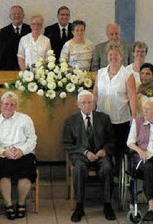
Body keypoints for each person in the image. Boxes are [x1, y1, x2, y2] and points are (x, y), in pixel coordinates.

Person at [63, 90, 116, 222]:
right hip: (81, 155)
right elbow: (67, 144)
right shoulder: (70, 121)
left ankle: (108, 204)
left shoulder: (104, 118)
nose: (86, 105)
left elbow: (112, 140)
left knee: (107, 168)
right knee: (79, 169)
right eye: (83, 103)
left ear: (94, 104)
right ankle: (79, 206)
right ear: (78, 104)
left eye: (89, 102)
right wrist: (85, 152)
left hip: (100, 154)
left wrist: (104, 150)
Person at [0, 92, 38, 220]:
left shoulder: (25, 119)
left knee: (27, 168)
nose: (8, 106)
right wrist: (4, 152)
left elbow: (32, 139)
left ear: (16, 106)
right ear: (1, 105)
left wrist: (22, 150)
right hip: (2, 154)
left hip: (23, 153)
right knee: (2, 170)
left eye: (12, 104)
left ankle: (21, 203)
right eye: (6, 104)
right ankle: (8, 205)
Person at [93, 44, 132, 167]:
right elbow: (95, 94)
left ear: (121, 56)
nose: (113, 57)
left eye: (116, 55)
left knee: (119, 150)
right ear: (107, 56)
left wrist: (134, 116)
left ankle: (119, 175)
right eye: (110, 54)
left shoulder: (127, 74)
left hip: (120, 119)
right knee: (104, 149)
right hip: (102, 118)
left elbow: (132, 97)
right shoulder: (100, 73)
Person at [125, 41, 148, 118]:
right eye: (137, 51)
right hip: (130, 107)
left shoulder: (150, 69)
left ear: (146, 53)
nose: (140, 54)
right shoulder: (126, 70)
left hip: (146, 107)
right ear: (133, 53)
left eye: (142, 51)